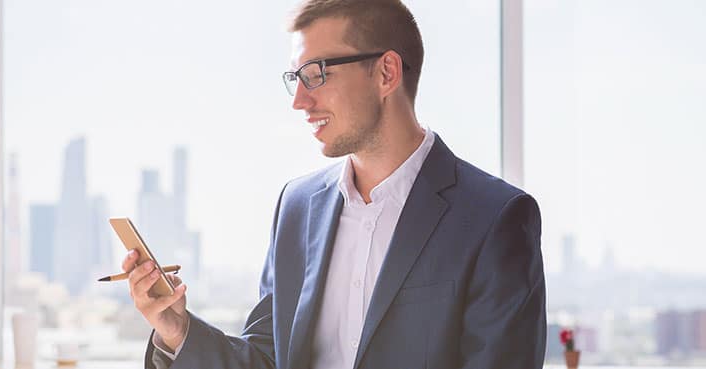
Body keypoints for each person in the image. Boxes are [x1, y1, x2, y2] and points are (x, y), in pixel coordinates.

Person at [123, 0, 546, 368]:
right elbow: (271, 357)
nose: (299, 101)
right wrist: (177, 329)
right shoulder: (298, 206)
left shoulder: (494, 217)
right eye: (296, 78)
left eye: (316, 74)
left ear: (385, 73)